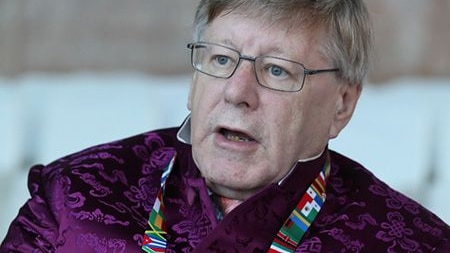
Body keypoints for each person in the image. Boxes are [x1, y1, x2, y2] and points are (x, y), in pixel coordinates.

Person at [1, 0, 449, 252]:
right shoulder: (73, 193)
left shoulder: (415, 243)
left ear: (342, 105)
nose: (237, 92)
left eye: (277, 70)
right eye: (220, 60)